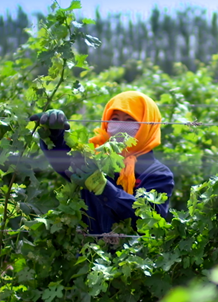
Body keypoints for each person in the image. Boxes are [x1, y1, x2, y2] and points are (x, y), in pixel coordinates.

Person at [30, 91, 175, 234]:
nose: (120, 126)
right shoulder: (96, 159)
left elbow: (150, 219)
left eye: (130, 120)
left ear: (148, 125)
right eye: (115, 118)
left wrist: (104, 188)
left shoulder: (158, 174)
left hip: (135, 256)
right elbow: (66, 163)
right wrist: (55, 136)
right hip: (89, 254)